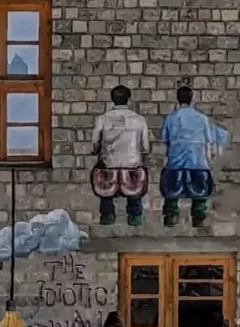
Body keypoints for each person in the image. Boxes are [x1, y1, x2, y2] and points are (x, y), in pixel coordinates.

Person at [159, 86, 227, 227]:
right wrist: (209, 160)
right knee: (200, 194)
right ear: (191, 99)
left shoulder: (170, 119)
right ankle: (198, 218)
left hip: (175, 162)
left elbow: (165, 142)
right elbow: (208, 142)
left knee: (171, 192)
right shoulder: (202, 119)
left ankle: (171, 216)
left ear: (178, 99)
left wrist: (167, 160)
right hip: (198, 162)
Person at [91, 85, 151, 226]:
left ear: (113, 100)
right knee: (136, 190)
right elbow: (145, 147)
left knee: (104, 188)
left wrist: (97, 151)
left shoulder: (103, 119)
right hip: (132, 163)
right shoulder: (139, 120)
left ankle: (107, 216)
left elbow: (95, 143)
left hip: (109, 163)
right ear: (129, 99)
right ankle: (135, 217)